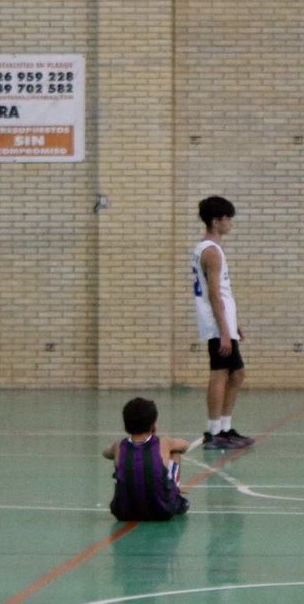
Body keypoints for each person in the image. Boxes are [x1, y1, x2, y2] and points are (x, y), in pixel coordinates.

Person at [192, 196, 254, 450]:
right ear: (216, 222)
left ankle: (224, 428)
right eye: (228, 218)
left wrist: (232, 323)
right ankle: (214, 431)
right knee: (221, 373)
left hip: (223, 322)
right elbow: (214, 294)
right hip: (217, 325)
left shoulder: (208, 248)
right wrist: (225, 331)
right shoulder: (211, 252)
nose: (230, 223)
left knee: (236, 373)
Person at [102, 396, 190, 520]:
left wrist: (116, 453)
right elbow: (185, 446)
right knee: (174, 451)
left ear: (125, 426)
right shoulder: (164, 442)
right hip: (163, 510)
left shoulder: (118, 446)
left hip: (123, 512)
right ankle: (174, 494)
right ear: (153, 426)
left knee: (121, 464)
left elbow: (105, 453)